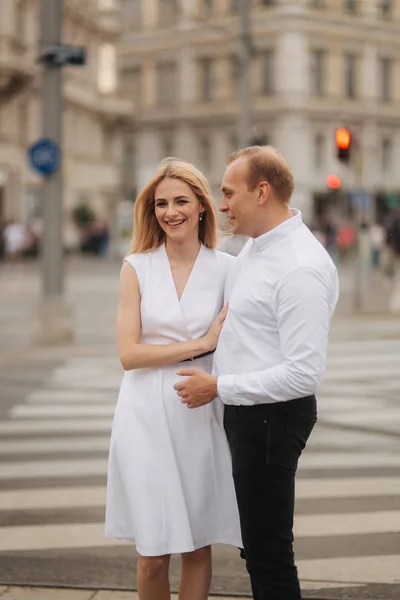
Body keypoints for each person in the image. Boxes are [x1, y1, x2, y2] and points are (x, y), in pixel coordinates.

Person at [174, 146, 339, 600]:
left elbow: (304, 374)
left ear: (261, 191)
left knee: (268, 554)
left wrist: (218, 386)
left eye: (228, 193)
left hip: (271, 418)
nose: (221, 203)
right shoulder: (252, 252)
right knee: (258, 549)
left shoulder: (299, 266)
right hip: (248, 415)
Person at [105, 158, 242, 600]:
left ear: (202, 206)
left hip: (199, 414)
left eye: (181, 200)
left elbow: (236, 345)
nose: (170, 212)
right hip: (143, 414)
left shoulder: (227, 268)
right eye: (161, 203)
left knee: (198, 546)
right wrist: (201, 344)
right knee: (153, 552)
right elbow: (129, 355)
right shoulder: (136, 267)